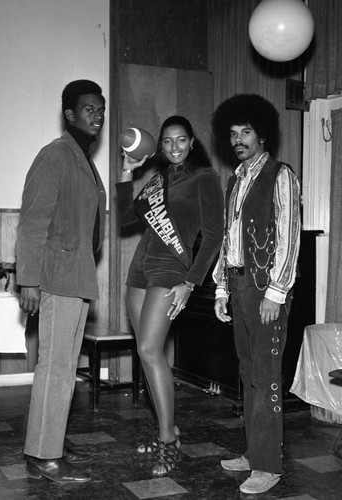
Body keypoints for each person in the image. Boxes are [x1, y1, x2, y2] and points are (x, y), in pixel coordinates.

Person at [116, 116, 224, 476]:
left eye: (181, 140)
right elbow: (124, 220)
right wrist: (127, 171)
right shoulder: (158, 180)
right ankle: (169, 428)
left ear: (192, 142)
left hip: (170, 270)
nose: (174, 147)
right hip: (139, 268)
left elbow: (213, 237)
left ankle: (167, 441)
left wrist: (191, 282)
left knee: (149, 349)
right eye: (167, 142)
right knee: (148, 355)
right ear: (159, 146)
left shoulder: (204, 177)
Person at [15, 79, 107, 484]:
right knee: (54, 367)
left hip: (77, 274)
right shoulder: (55, 155)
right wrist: (28, 282)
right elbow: (32, 223)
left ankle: (49, 440)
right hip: (55, 277)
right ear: (70, 114)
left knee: (64, 367)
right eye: (90, 108)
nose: (98, 114)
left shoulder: (83, 159)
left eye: (101, 108)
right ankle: (42, 454)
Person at [212, 94, 301, 495]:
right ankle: (254, 451)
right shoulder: (235, 178)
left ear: (261, 132)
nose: (238, 139)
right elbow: (229, 238)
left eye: (245, 131)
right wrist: (220, 286)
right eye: (232, 134)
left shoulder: (280, 175)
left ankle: (268, 466)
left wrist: (276, 292)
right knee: (248, 375)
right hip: (237, 286)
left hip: (266, 291)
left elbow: (290, 238)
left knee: (266, 378)